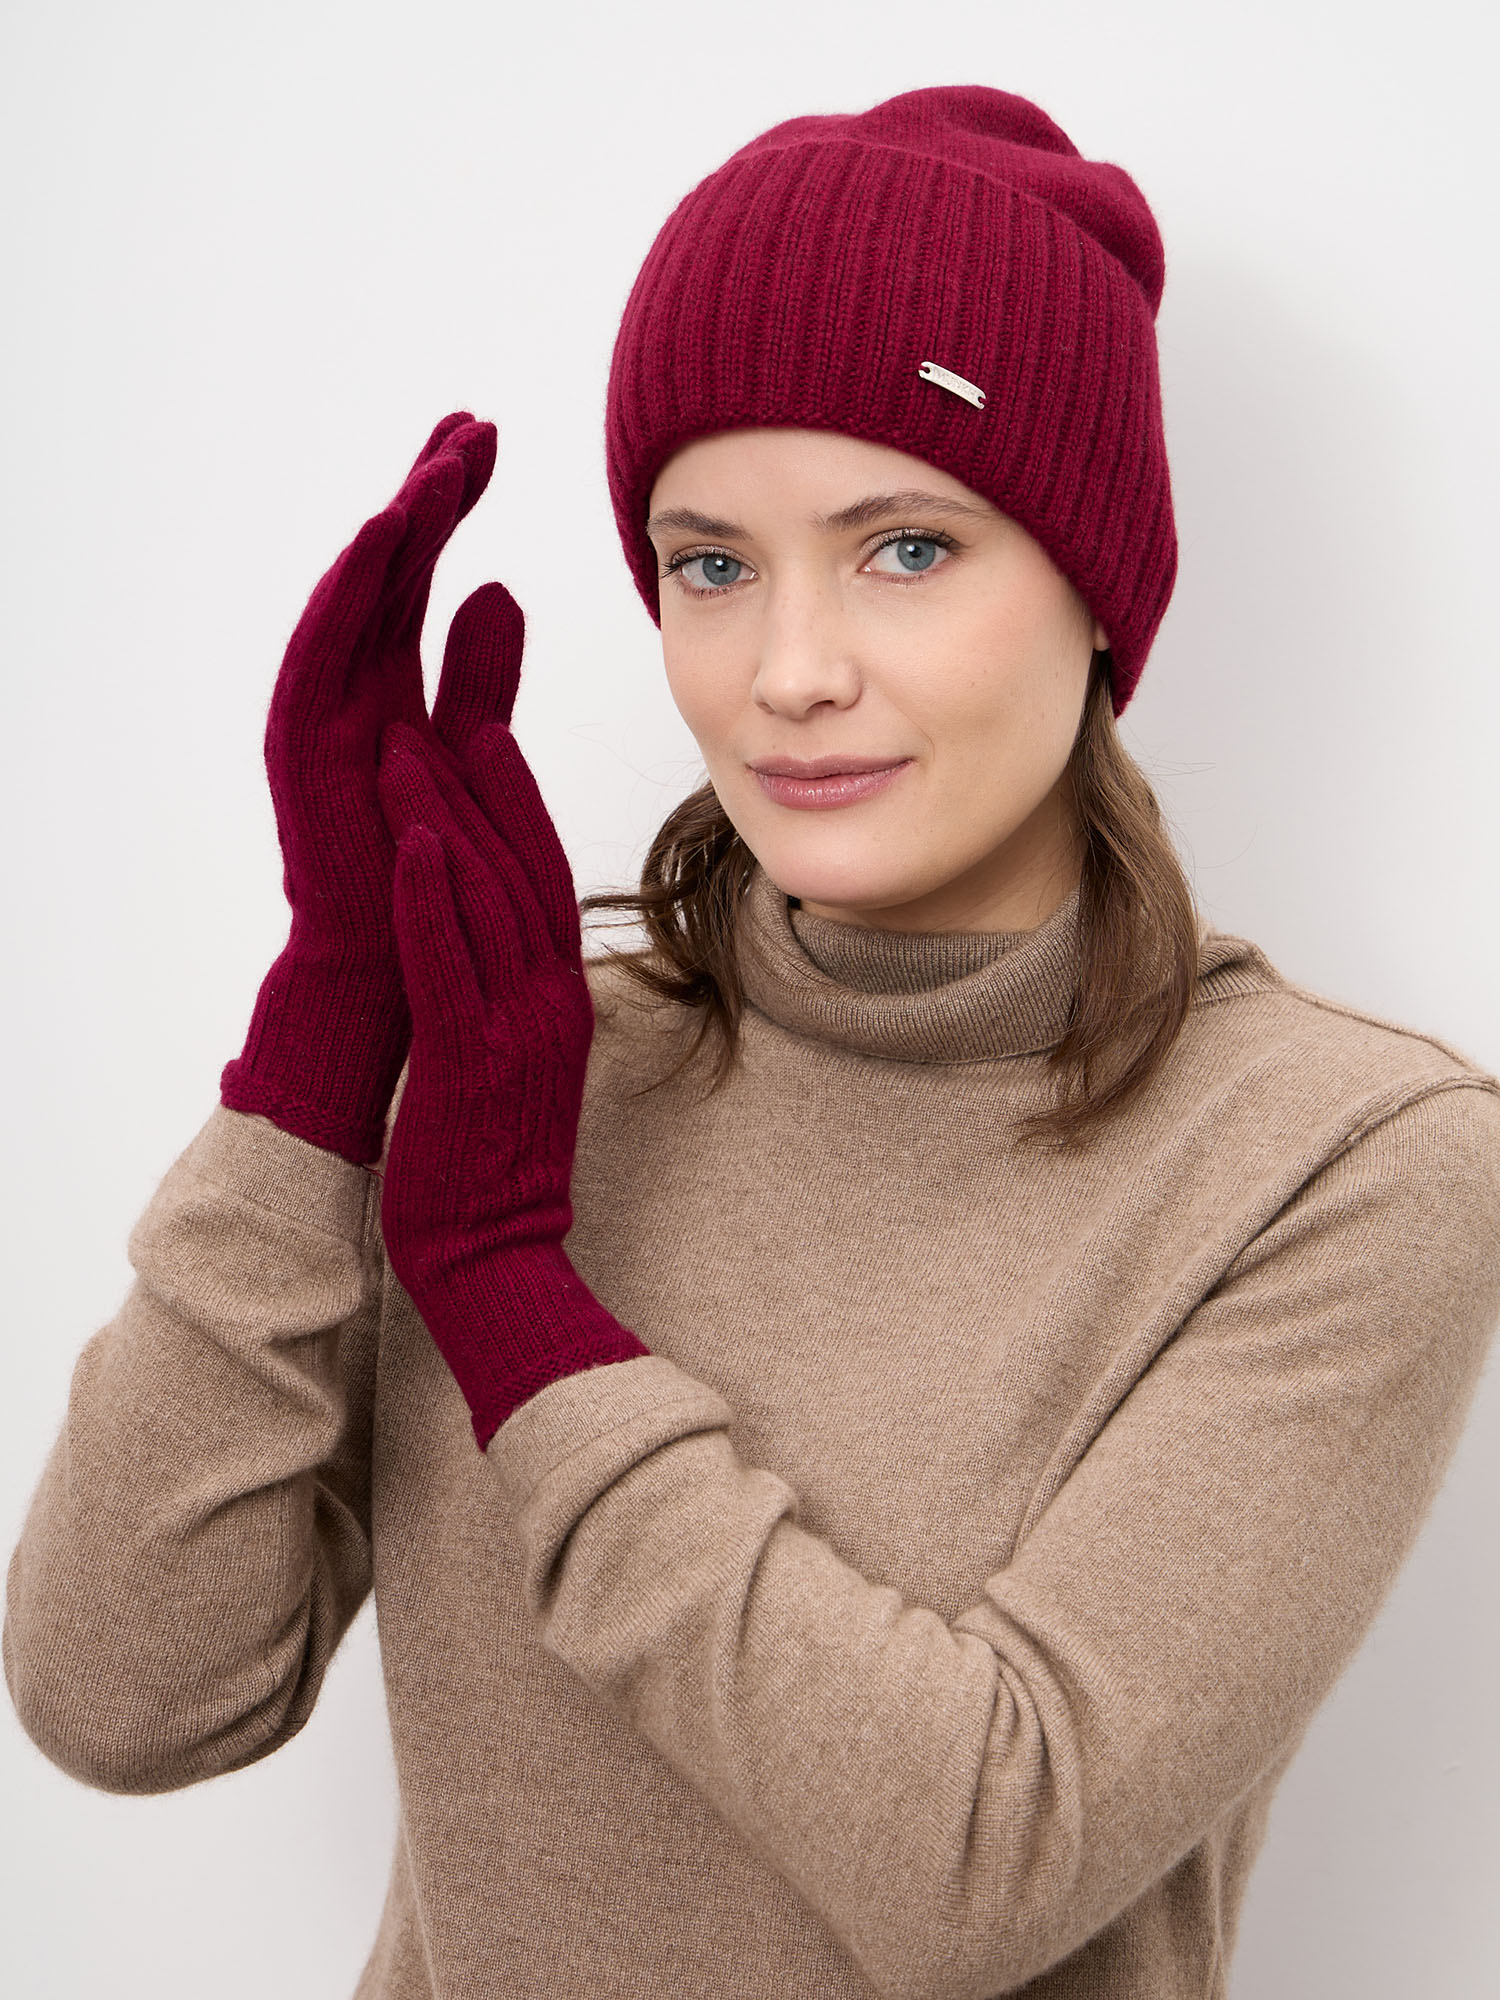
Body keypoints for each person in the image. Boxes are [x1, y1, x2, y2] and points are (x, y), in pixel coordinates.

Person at [6, 81, 1500, 2000]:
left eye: (907, 548)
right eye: (710, 564)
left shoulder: (1344, 1157)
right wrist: (328, 1031)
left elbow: (982, 1858)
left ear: (1096, 589)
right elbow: (123, 1701)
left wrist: (513, 1296)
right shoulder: (529, 1072)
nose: (790, 672)